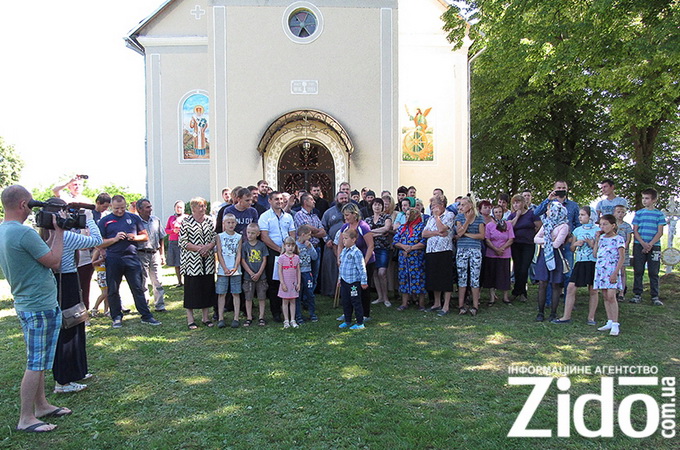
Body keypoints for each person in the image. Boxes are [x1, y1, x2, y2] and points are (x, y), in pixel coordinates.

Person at [0, 185, 69, 433]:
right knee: (36, 363)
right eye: (30, 204)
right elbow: (54, 261)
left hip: (26, 303)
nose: (32, 209)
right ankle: (26, 417)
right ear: (23, 205)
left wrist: (51, 234)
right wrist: (60, 232)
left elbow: (40, 254)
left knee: (39, 360)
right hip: (39, 305)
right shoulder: (23, 233)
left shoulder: (4, 230)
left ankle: (41, 405)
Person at [50, 203, 103, 394]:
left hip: (58, 282)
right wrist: (89, 219)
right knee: (70, 327)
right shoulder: (65, 236)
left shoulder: (46, 235)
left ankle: (77, 370)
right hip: (67, 280)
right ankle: (63, 380)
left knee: (75, 324)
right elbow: (96, 240)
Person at [98, 195, 161, 328]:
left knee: (137, 288)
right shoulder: (105, 221)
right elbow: (99, 242)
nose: (120, 211)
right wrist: (114, 239)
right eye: (116, 208)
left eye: (122, 208)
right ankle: (116, 317)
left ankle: (146, 315)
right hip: (113, 258)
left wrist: (135, 237)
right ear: (111, 206)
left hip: (132, 257)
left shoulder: (133, 218)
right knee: (113, 289)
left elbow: (145, 236)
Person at [553, 206, 598, 324]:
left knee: (593, 290)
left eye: (583, 215)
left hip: (593, 262)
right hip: (580, 262)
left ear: (590, 216)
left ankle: (591, 318)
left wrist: (592, 244)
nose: (580, 217)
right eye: (579, 215)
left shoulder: (598, 230)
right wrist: (576, 244)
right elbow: (572, 248)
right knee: (571, 287)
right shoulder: (577, 230)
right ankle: (566, 316)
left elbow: (600, 249)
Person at [179, 197, 217, 330]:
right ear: (193, 208)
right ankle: (190, 319)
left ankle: (206, 317)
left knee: (207, 288)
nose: (203, 209)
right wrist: (199, 249)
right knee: (192, 290)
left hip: (207, 261)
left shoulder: (209, 220)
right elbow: (183, 242)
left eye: (204, 206)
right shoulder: (186, 222)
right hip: (192, 262)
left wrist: (208, 247)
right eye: (200, 206)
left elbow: (214, 237)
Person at [259, 191, 296, 322]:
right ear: (270, 201)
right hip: (273, 252)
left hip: (288, 252)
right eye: (276, 199)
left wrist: (289, 249)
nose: (279, 201)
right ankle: (276, 312)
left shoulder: (288, 217)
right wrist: (279, 249)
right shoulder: (265, 216)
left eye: (281, 199)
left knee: (288, 280)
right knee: (274, 282)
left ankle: (288, 310)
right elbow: (264, 236)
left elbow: (292, 233)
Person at [337, 203, 375, 320]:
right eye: (344, 215)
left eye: (347, 215)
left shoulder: (363, 227)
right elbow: (340, 244)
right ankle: (348, 312)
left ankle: (365, 314)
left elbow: (370, 246)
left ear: (355, 214)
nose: (346, 217)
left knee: (363, 288)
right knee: (348, 288)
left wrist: (364, 262)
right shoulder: (345, 227)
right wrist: (339, 258)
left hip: (364, 260)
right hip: (349, 264)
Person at [533, 201, 569, 322]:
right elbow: (535, 239)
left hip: (556, 255)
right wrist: (548, 240)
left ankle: (553, 312)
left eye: (549, 209)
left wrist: (546, 240)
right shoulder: (546, 224)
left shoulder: (564, 226)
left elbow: (557, 244)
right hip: (544, 255)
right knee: (542, 283)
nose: (547, 212)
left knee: (555, 284)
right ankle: (540, 312)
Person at [630, 188, 665, 306]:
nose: (644, 200)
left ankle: (655, 296)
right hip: (639, 245)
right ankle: (637, 294)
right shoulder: (639, 213)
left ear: (654, 200)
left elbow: (660, 232)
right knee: (638, 270)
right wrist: (643, 243)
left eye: (647, 198)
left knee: (654, 271)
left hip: (654, 246)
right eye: (643, 198)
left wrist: (650, 244)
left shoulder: (659, 214)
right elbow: (635, 231)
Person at [593, 214, 626, 336]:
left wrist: (615, 273)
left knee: (611, 296)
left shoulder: (619, 239)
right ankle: (610, 320)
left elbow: (621, 257)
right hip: (601, 270)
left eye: (605, 224)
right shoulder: (602, 238)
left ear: (613, 225)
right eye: (601, 225)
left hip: (612, 270)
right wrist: (597, 240)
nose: (603, 227)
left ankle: (616, 323)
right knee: (605, 296)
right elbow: (595, 254)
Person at [422, 196, 455, 314]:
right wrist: (436, 233)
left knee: (445, 278)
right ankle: (437, 303)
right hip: (431, 251)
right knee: (434, 278)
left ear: (442, 205)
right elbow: (424, 234)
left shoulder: (449, 215)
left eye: (434, 206)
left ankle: (446, 306)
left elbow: (443, 229)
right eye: (431, 206)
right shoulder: (430, 218)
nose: (432, 209)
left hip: (444, 250)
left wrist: (437, 217)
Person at [455, 196, 486, 316]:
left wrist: (467, 234)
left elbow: (481, 236)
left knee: (475, 278)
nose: (461, 207)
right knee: (462, 277)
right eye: (460, 205)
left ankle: (475, 305)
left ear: (470, 205)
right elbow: (459, 233)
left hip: (475, 250)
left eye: (463, 205)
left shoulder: (479, 218)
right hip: (462, 249)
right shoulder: (459, 217)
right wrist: (467, 221)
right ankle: (461, 305)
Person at [508, 194, 540, 302]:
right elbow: (509, 227)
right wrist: (517, 216)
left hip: (528, 244)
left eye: (518, 202)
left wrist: (532, 235)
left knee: (524, 268)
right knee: (517, 268)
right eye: (514, 203)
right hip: (516, 244)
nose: (516, 204)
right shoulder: (512, 216)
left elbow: (539, 226)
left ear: (523, 203)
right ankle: (518, 292)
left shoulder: (531, 214)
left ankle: (520, 292)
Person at [136, 199, 166, 312]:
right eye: (147, 207)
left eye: (150, 206)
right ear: (139, 209)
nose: (150, 209)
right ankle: (145, 306)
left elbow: (161, 237)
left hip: (155, 253)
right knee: (143, 281)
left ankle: (160, 305)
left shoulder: (155, 220)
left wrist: (162, 254)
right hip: (141, 253)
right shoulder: (136, 222)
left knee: (157, 280)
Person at [482, 205, 514, 305]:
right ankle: (492, 298)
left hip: (505, 254)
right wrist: (495, 249)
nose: (498, 214)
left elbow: (511, 239)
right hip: (491, 253)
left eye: (500, 212)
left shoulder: (508, 225)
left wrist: (502, 248)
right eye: (496, 212)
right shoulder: (489, 225)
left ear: (503, 213)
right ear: (493, 213)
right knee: (492, 275)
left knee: (504, 275)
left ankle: (505, 297)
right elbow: (487, 239)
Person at [294, 192, 326, 291]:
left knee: (314, 275)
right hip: (303, 250)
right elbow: (305, 228)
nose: (314, 201)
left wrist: (311, 233)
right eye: (311, 199)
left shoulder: (315, 216)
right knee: (303, 274)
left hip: (315, 248)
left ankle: (310, 295)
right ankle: (302, 296)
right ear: (305, 202)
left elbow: (323, 232)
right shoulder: (299, 215)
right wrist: (316, 230)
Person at [337, 228, 368, 330]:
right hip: (344, 281)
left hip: (354, 283)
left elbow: (362, 268)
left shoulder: (356, 252)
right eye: (343, 238)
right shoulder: (344, 251)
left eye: (346, 238)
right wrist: (339, 279)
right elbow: (341, 266)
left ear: (353, 239)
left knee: (356, 302)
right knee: (346, 302)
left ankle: (360, 323)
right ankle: (347, 320)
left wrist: (364, 281)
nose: (344, 241)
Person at [320, 191, 349, 296]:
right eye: (341, 198)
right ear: (337, 200)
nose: (344, 200)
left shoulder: (354, 211)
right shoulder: (329, 212)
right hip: (331, 244)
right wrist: (327, 239)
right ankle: (331, 291)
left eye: (345, 198)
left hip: (349, 245)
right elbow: (322, 227)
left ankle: (346, 292)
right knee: (332, 268)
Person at [216, 214, 242, 328]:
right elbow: (219, 253)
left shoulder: (239, 237)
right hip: (223, 270)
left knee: (236, 293)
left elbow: (239, 253)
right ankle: (221, 318)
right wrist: (225, 268)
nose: (230, 225)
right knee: (222, 293)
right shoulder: (219, 236)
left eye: (232, 222)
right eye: (228, 222)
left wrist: (235, 267)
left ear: (235, 224)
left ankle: (236, 318)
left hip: (235, 270)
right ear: (224, 224)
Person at [366, 197, 393, 307]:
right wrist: (379, 233)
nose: (377, 207)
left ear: (382, 207)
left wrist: (371, 232)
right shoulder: (368, 220)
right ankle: (380, 297)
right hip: (371, 248)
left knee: (382, 272)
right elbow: (365, 233)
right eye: (375, 204)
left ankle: (386, 298)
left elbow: (386, 228)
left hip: (383, 247)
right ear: (372, 206)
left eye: (379, 205)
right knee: (375, 273)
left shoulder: (386, 217)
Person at [241, 223, 268, 326]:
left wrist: (259, 273)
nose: (250, 235)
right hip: (248, 277)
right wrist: (251, 273)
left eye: (252, 233)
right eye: (248, 232)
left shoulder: (262, 245)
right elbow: (243, 260)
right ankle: (249, 317)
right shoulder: (244, 245)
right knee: (248, 297)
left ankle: (261, 317)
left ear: (258, 234)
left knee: (262, 297)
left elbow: (264, 260)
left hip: (261, 276)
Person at [294, 225, 318, 324]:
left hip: (307, 272)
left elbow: (315, 257)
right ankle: (298, 315)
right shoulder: (295, 246)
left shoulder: (309, 245)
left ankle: (312, 314)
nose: (310, 237)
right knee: (298, 294)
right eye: (309, 235)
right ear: (303, 235)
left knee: (310, 293)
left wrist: (310, 248)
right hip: (297, 273)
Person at [278, 236, 301, 328]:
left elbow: (298, 271)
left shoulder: (297, 258)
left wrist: (298, 283)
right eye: (288, 245)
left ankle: (292, 319)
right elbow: (280, 271)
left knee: (293, 301)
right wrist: (282, 283)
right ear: (284, 246)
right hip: (285, 282)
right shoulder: (281, 258)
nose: (290, 248)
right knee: (285, 301)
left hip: (293, 283)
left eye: (292, 245)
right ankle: (286, 320)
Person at [613, 204, 633, 302]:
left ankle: (621, 292)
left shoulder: (627, 226)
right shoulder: (611, 225)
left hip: (623, 251)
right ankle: (614, 290)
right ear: (614, 213)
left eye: (622, 212)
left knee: (622, 271)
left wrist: (623, 248)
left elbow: (628, 239)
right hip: (612, 252)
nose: (620, 214)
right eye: (618, 212)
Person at [165, 200, 186, 287]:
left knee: (184, 262)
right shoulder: (171, 218)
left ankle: (186, 280)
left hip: (183, 241)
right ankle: (179, 281)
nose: (179, 209)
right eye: (177, 207)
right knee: (176, 263)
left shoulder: (187, 217)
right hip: (173, 241)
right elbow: (166, 230)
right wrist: (173, 231)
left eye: (180, 207)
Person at [90, 248, 108, 317]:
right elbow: (92, 263)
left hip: (109, 272)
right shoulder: (98, 251)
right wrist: (102, 260)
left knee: (108, 293)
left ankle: (106, 310)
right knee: (104, 293)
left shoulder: (110, 249)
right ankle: (95, 308)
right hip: (101, 274)